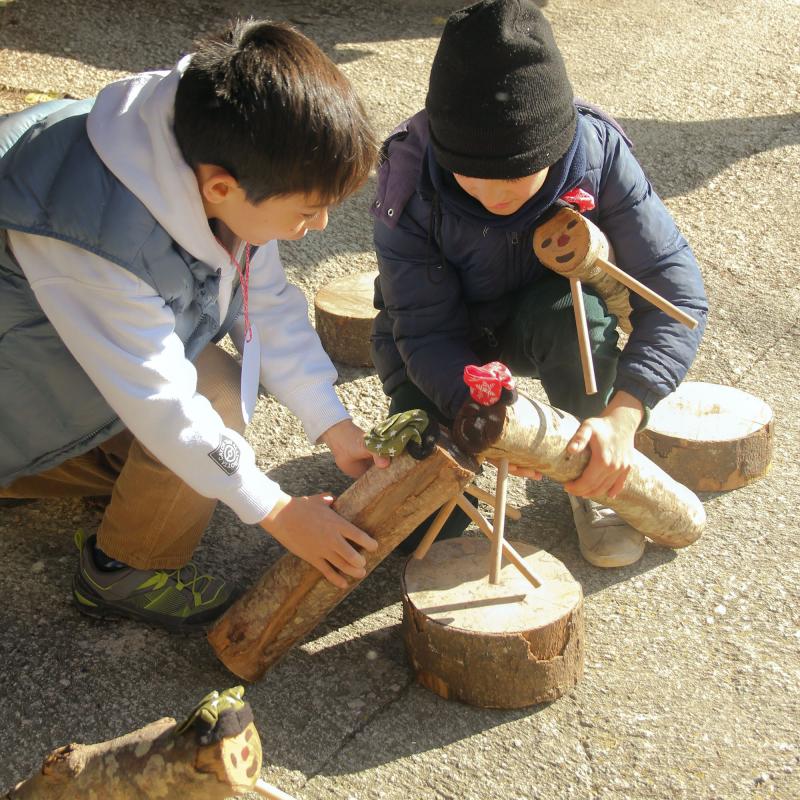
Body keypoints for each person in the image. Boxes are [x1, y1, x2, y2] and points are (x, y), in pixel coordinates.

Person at [0, 18, 390, 632]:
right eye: (307, 212)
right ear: (220, 186)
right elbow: (163, 403)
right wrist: (279, 511)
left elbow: (266, 302)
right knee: (209, 404)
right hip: (15, 386)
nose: (316, 229)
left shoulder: (219, 140)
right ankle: (120, 571)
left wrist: (334, 425)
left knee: (214, 410)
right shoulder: (95, 242)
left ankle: (95, 473)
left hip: (57, 356)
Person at [371, 0, 708, 568]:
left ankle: (595, 463)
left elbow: (675, 295)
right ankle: (454, 446)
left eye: (518, 175)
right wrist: (498, 426)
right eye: (470, 176)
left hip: (545, 319)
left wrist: (624, 416)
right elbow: (426, 333)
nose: (494, 194)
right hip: (439, 344)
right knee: (421, 529)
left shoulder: (596, 153)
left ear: (556, 147)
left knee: (568, 313)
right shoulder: (409, 178)